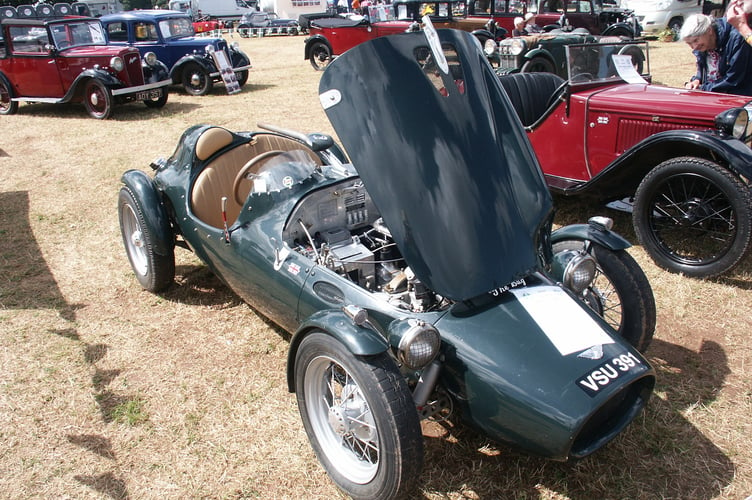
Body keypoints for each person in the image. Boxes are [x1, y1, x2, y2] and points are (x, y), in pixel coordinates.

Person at [680, 13, 752, 96]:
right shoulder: (703, 45)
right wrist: (697, 80)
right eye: (689, 43)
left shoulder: (737, 38)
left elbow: (734, 78)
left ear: (709, 30)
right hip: (716, 96)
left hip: (740, 97)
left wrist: (703, 88)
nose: (694, 47)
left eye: (696, 40)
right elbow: (704, 69)